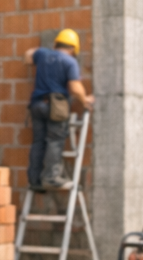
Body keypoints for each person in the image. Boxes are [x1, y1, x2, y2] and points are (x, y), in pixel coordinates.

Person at [24, 28, 93, 189]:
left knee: (38, 142)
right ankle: (51, 176)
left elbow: (28, 56)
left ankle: (34, 180)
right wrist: (85, 100)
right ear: (73, 49)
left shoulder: (42, 54)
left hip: (36, 104)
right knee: (54, 141)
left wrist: (40, 51)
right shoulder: (70, 62)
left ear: (55, 44)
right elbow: (75, 88)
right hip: (56, 106)